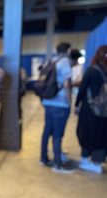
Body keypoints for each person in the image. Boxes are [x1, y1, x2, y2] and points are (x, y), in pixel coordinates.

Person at [39, 42, 74, 173]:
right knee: (58, 134)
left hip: (48, 101)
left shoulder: (50, 61)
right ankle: (57, 164)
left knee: (47, 131)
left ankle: (43, 158)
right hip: (60, 103)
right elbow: (66, 85)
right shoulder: (65, 63)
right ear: (68, 51)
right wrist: (70, 102)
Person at [75, 45, 107, 173]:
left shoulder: (91, 70)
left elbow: (82, 89)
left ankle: (85, 159)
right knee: (101, 135)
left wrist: (76, 105)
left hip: (90, 109)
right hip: (104, 110)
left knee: (86, 132)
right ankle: (97, 162)